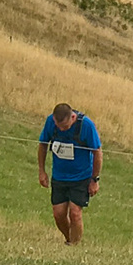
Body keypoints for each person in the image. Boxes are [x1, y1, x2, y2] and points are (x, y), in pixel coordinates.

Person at [37, 102, 101, 245]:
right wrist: (42, 171)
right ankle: (69, 239)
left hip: (81, 177)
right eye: (58, 126)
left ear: (73, 117)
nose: (61, 129)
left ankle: (74, 245)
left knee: (75, 213)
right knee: (58, 214)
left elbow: (97, 153)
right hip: (59, 176)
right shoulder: (50, 122)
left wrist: (94, 180)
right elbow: (42, 145)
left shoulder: (86, 126)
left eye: (65, 127)